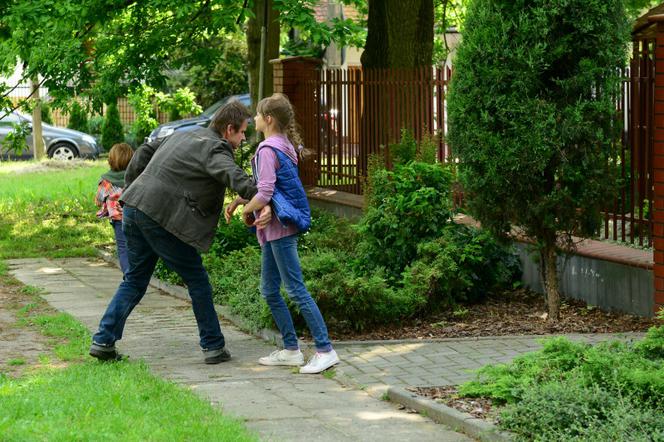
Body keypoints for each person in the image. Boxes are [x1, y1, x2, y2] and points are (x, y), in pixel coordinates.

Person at [89, 100, 272, 364]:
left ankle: (103, 340)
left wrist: (132, 188)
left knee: (135, 280)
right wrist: (264, 197)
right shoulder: (215, 146)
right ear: (229, 129)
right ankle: (213, 346)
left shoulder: (184, 134)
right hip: (160, 217)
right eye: (242, 132)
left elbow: (142, 151)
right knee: (197, 279)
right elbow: (233, 175)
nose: (243, 138)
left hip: (133, 208)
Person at [226, 93, 340, 374]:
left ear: (268, 119)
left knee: (296, 289)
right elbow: (270, 187)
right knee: (269, 290)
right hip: (275, 229)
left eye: (257, 114)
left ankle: (325, 350)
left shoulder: (267, 149)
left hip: (279, 229)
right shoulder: (284, 145)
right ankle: (291, 349)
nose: (252, 119)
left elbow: (265, 192)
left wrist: (246, 210)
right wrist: (244, 201)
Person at [95, 142, 134, 275]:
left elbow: (98, 201)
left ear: (110, 160)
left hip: (119, 220)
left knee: (123, 249)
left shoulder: (106, 180)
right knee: (137, 248)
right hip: (137, 217)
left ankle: (129, 278)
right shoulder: (135, 177)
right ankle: (137, 275)